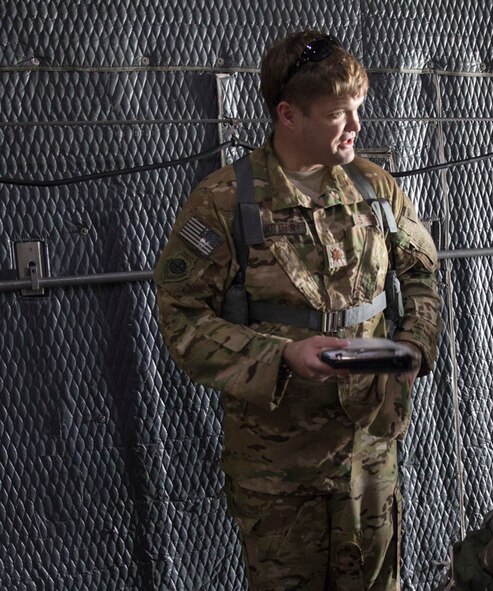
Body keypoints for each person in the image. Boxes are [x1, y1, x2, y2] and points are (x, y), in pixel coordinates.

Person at [154, 30, 441, 590]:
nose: (356, 126)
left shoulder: (374, 188)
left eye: (358, 109)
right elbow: (181, 318)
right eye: (339, 114)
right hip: (278, 466)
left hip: (370, 451)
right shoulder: (223, 201)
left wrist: (413, 344)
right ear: (288, 114)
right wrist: (280, 355)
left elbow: (421, 274)